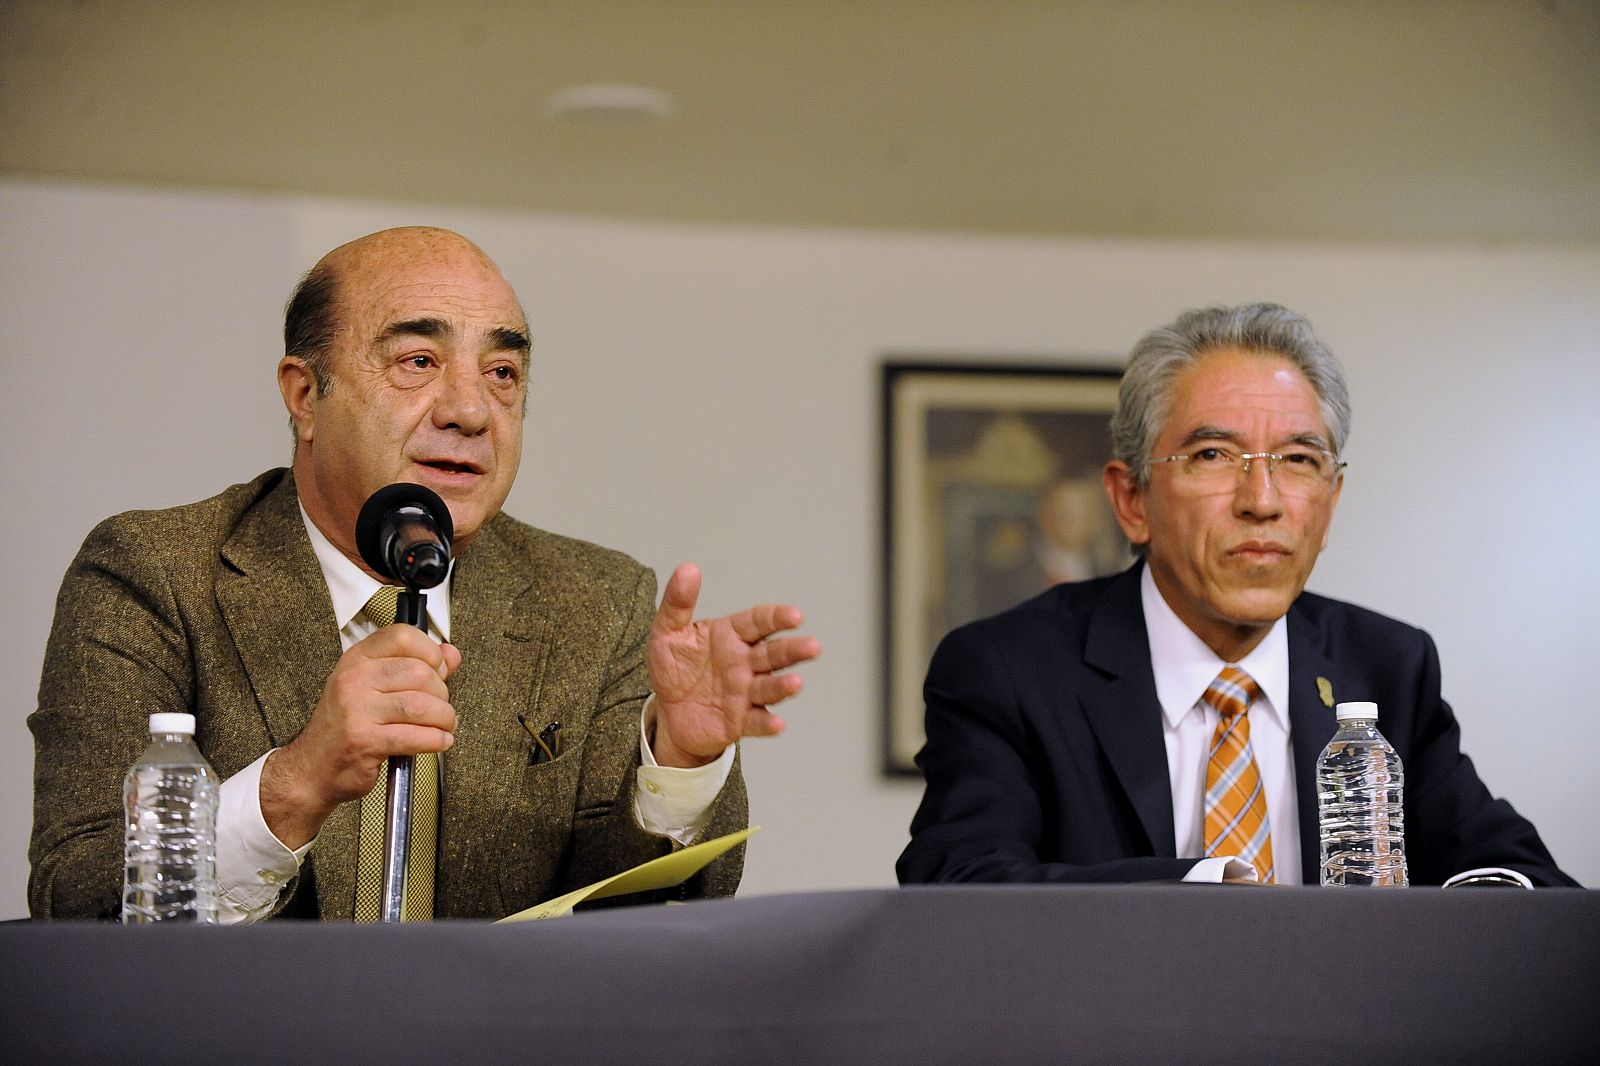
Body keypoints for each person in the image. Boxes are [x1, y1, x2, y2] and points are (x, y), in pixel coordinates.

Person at [29, 226, 820, 921]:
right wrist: (296, 784)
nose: (471, 411)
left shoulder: (598, 601)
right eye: (418, 361)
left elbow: (634, 933)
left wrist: (676, 764)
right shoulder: (155, 574)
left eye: (503, 373)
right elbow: (79, 901)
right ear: (305, 395)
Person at [897, 303, 1574, 887]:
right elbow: (961, 889)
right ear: (1131, 500)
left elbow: (1518, 881)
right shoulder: (1008, 669)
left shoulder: (1386, 667)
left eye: (1299, 461)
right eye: (1213, 456)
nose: (1263, 501)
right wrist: (1214, 891)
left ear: (1329, 504)